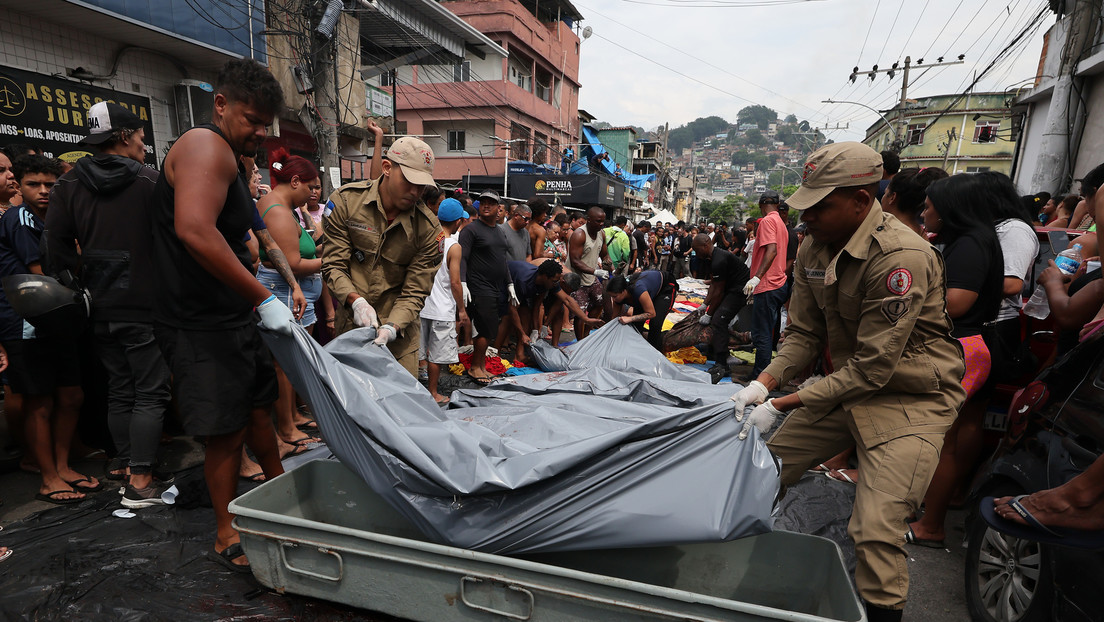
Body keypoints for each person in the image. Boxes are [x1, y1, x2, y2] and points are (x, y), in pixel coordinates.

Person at [728, 142, 966, 622]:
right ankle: (739, 582)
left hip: (910, 398)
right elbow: (804, 335)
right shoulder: (813, 246)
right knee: (758, 472)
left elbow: (876, 368)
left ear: (862, 200)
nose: (807, 215)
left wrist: (784, 403)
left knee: (876, 530)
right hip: (847, 388)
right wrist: (765, 381)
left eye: (821, 205)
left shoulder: (901, 257)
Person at [151, 59, 293, 571]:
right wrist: (262, 295)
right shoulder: (204, 146)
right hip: (198, 321)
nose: (259, 131)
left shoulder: (234, 158)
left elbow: (246, 235)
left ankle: (282, 498)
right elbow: (194, 230)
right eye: (251, 119)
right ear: (220, 104)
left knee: (261, 411)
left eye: (265, 124)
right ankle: (225, 529)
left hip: (232, 315)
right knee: (226, 430)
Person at [44, 102, 174, 507]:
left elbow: (53, 249)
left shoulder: (67, 186)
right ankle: (140, 480)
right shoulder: (151, 183)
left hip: (97, 304)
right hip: (146, 304)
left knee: (121, 387)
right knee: (151, 392)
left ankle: (123, 463)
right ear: (122, 136)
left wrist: (77, 284)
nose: (142, 144)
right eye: (138, 136)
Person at [904, 174, 1005, 549]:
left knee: (941, 440)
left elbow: (957, 302)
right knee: (952, 434)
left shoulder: (969, 244)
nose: (924, 212)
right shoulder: (973, 240)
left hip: (962, 346)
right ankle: (931, 509)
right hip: (971, 343)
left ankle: (931, 525)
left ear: (950, 209)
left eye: (929, 206)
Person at [1, 155, 94, 506]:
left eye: (49, 185)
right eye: (33, 184)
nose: (42, 191)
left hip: (58, 318)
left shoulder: (54, 219)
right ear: (19, 187)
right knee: (39, 402)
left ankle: (62, 466)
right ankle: (49, 478)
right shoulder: (20, 218)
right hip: (27, 322)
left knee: (71, 396)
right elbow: (41, 271)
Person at [322, 136, 442, 376]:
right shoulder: (346, 202)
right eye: (409, 181)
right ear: (387, 168)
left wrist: (392, 327)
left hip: (400, 337)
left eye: (421, 186)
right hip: (351, 328)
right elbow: (334, 265)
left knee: (399, 407)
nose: (415, 192)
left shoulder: (429, 230)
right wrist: (355, 301)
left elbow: (415, 291)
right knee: (352, 404)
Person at [255, 149, 325, 451]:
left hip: (289, 289)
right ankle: (285, 426)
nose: (312, 194)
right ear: (295, 181)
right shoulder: (280, 212)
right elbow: (293, 263)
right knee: (285, 363)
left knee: (291, 360)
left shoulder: (282, 206)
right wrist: (329, 261)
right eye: (310, 187)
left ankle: (292, 416)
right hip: (284, 289)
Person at [458, 190, 515, 384]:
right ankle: (475, 367)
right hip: (478, 286)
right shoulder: (471, 230)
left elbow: (502, 259)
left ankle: (481, 366)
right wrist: (462, 281)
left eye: (491, 203)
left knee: (490, 329)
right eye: (483, 202)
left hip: (496, 286)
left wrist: (509, 283)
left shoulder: (499, 231)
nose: (486, 206)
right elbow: (462, 258)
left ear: (499, 208)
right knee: (485, 328)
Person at [419, 198, 468, 404]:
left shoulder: (426, 238)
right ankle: (432, 393)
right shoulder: (454, 247)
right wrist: (462, 310)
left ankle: (413, 392)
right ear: (457, 221)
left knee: (418, 353)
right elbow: (455, 282)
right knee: (436, 357)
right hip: (442, 308)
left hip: (421, 305)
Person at [692, 233, 750, 383]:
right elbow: (713, 285)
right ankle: (718, 354)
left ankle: (722, 362)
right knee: (717, 319)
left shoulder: (719, 259)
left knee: (718, 320)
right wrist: (705, 304)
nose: (696, 254)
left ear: (705, 245)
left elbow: (718, 292)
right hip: (730, 288)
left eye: (697, 250)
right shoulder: (711, 258)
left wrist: (709, 313)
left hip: (739, 290)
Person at [746, 190, 789, 379]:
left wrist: (756, 277)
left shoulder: (767, 221)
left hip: (768, 284)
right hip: (779, 283)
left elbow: (771, 251)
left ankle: (760, 379)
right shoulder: (781, 222)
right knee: (768, 333)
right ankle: (767, 374)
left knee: (761, 334)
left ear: (761, 206)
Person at [566, 206, 611, 339]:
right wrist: (596, 271)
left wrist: (609, 263)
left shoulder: (601, 233)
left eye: (603, 221)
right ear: (589, 220)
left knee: (600, 302)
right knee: (580, 312)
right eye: (598, 221)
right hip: (577, 279)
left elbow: (605, 254)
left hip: (591, 277)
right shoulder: (579, 234)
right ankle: (580, 341)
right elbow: (575, 261)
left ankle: (586, 335)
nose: (601, 224)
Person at [605, 271, 678, 350]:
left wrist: (630, 318)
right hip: (645, 293)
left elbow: (651, 313)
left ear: (623, 291)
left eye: (615, 296)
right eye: (611, 296)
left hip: (665, 289)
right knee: (635, 327)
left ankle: (653, 352)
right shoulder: (618, 298)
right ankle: (635, 349)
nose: (613, 299)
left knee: (655, 324)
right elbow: (615, 317)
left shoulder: (638, 289)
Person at [879, 167, 949, 236]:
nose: (883, 197)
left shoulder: (885, 235)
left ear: (892, 197)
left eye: (885, 193)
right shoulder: (926, 237)